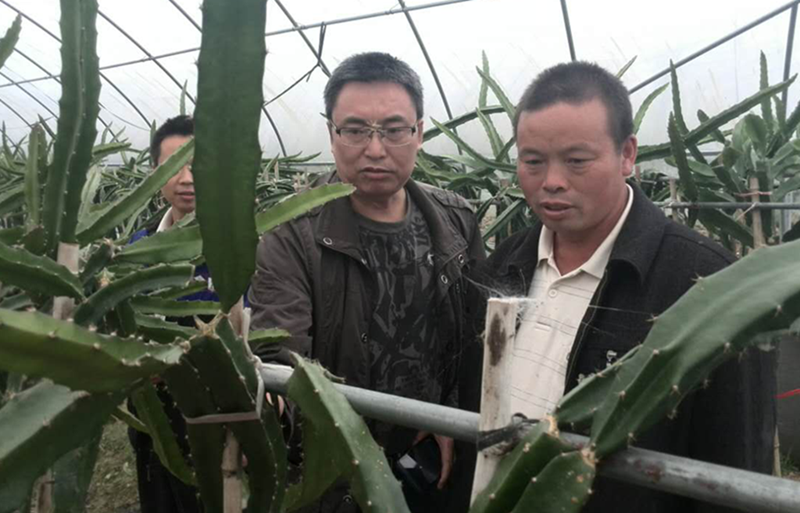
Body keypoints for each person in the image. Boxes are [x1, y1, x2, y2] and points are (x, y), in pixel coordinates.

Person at [481, 61, 775, 512]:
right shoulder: (507, 260)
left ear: (627, 154)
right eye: (532, 161)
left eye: (577, 161)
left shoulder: (706, 284)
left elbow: (737, 468)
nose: (552, 182)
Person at [248, 52, 485, 512]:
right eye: (355, 130)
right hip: (335, 470)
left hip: (432, 459)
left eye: (394, 130)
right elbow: (280, 354)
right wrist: (265, 414)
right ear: (332, 134)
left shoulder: (457, 221)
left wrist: (453, 416)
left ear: (419, 132)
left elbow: (478, 335)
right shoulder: (291, 233)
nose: (375, 150)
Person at [128, 115, 215, 513]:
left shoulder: (246, 246)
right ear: (154, 174)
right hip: (150, 412)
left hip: (216, 411)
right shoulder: (138, 247)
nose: (187, 179)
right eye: (174, 166)